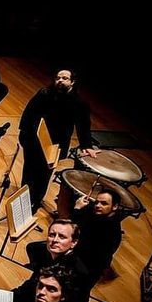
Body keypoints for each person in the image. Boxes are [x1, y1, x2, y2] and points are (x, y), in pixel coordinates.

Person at [19, 68, 99, 212]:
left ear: (72, 82)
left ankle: (34, 204)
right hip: (35, 141)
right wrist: (24, 135)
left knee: (44, 176)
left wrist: (86, 145)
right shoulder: (44, 94)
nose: (60, 80)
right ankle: (22, 202)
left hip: (55, 145)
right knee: (28, 172)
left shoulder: (78, 103)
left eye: (64, 78)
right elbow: (28, 114)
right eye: (58, 78)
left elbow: (83, 125)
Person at [71, 189, 124, 281]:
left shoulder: (106, 225)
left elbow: (71, 228)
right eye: (97, 202)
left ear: (115, 206)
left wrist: (77, 208)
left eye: (104, 203)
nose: (98, 206)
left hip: (85, 268)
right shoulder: (110, 218)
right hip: (86, 261)